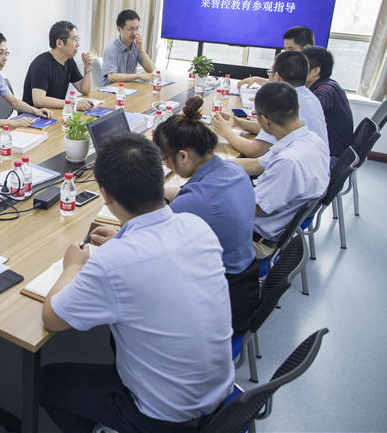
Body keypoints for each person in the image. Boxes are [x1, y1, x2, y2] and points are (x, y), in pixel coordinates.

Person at [40, 134, 234, 433]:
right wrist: (123, 239)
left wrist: (73, 267)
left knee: (47, 382)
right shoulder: (197, 227)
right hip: (220, 397)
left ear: (106, 195)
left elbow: (52, 318)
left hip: (164, 416)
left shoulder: (113, 263)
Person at [153, 96, 258, 336]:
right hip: (245, 282)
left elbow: (150, 246)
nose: (166, 165)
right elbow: (189, 194)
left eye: (164, 159)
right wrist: (156, 191)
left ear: (183, 156)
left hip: (221, 304)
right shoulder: (232, 169)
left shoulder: (196, 203)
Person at [237, 83, 330, 259]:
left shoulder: (288, 162)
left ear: (265, 120)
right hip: (272, 226)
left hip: (254, 240)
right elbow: (256, 165)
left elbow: (247, 209)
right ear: (298, 108)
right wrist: (211, 163)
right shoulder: (312, 141)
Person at [212, 50, 328, 175]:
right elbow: (270, 128)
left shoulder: (284, 102)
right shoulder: (305, 96)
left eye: (270, 73)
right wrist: (238, 122)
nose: (268, 77)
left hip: (294, 174)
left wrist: (226, 132)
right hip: (314, 171)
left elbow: (255, 151)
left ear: (277, 76)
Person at [22, 20, 95, 111]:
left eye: (78, 40)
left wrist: (88, 69)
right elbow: (39, 100)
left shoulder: (69, 60)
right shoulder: (41, 64)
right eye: (74, 40)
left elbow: (84, 90)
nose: (78, 44)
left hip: (54, 111)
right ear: (59, 43)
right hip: (32, 116)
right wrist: (73, 104)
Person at [302, 46, 354, 163]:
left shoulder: (326, 90)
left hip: (330, 158)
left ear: (315, 71)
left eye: (300, 66)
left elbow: (308, 109)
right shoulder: (329, 85)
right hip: (332, 151)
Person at [237, 26, 315, 88]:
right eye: (285, 49)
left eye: (291, 49)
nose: (287, 53)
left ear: (307, 48)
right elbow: (285, 85)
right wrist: (257, 79)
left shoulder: (312, 71)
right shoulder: (296, 65)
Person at [101, 9, 156, 86]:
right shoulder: (111, 49)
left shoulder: (135, 46)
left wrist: (141, 50)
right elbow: (112, 77)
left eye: (137, 28)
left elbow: (150, 69)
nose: (135, 33)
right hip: (111, 89)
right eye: (131, 29)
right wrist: (138, 76)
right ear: (119, 29)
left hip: (129, 88)